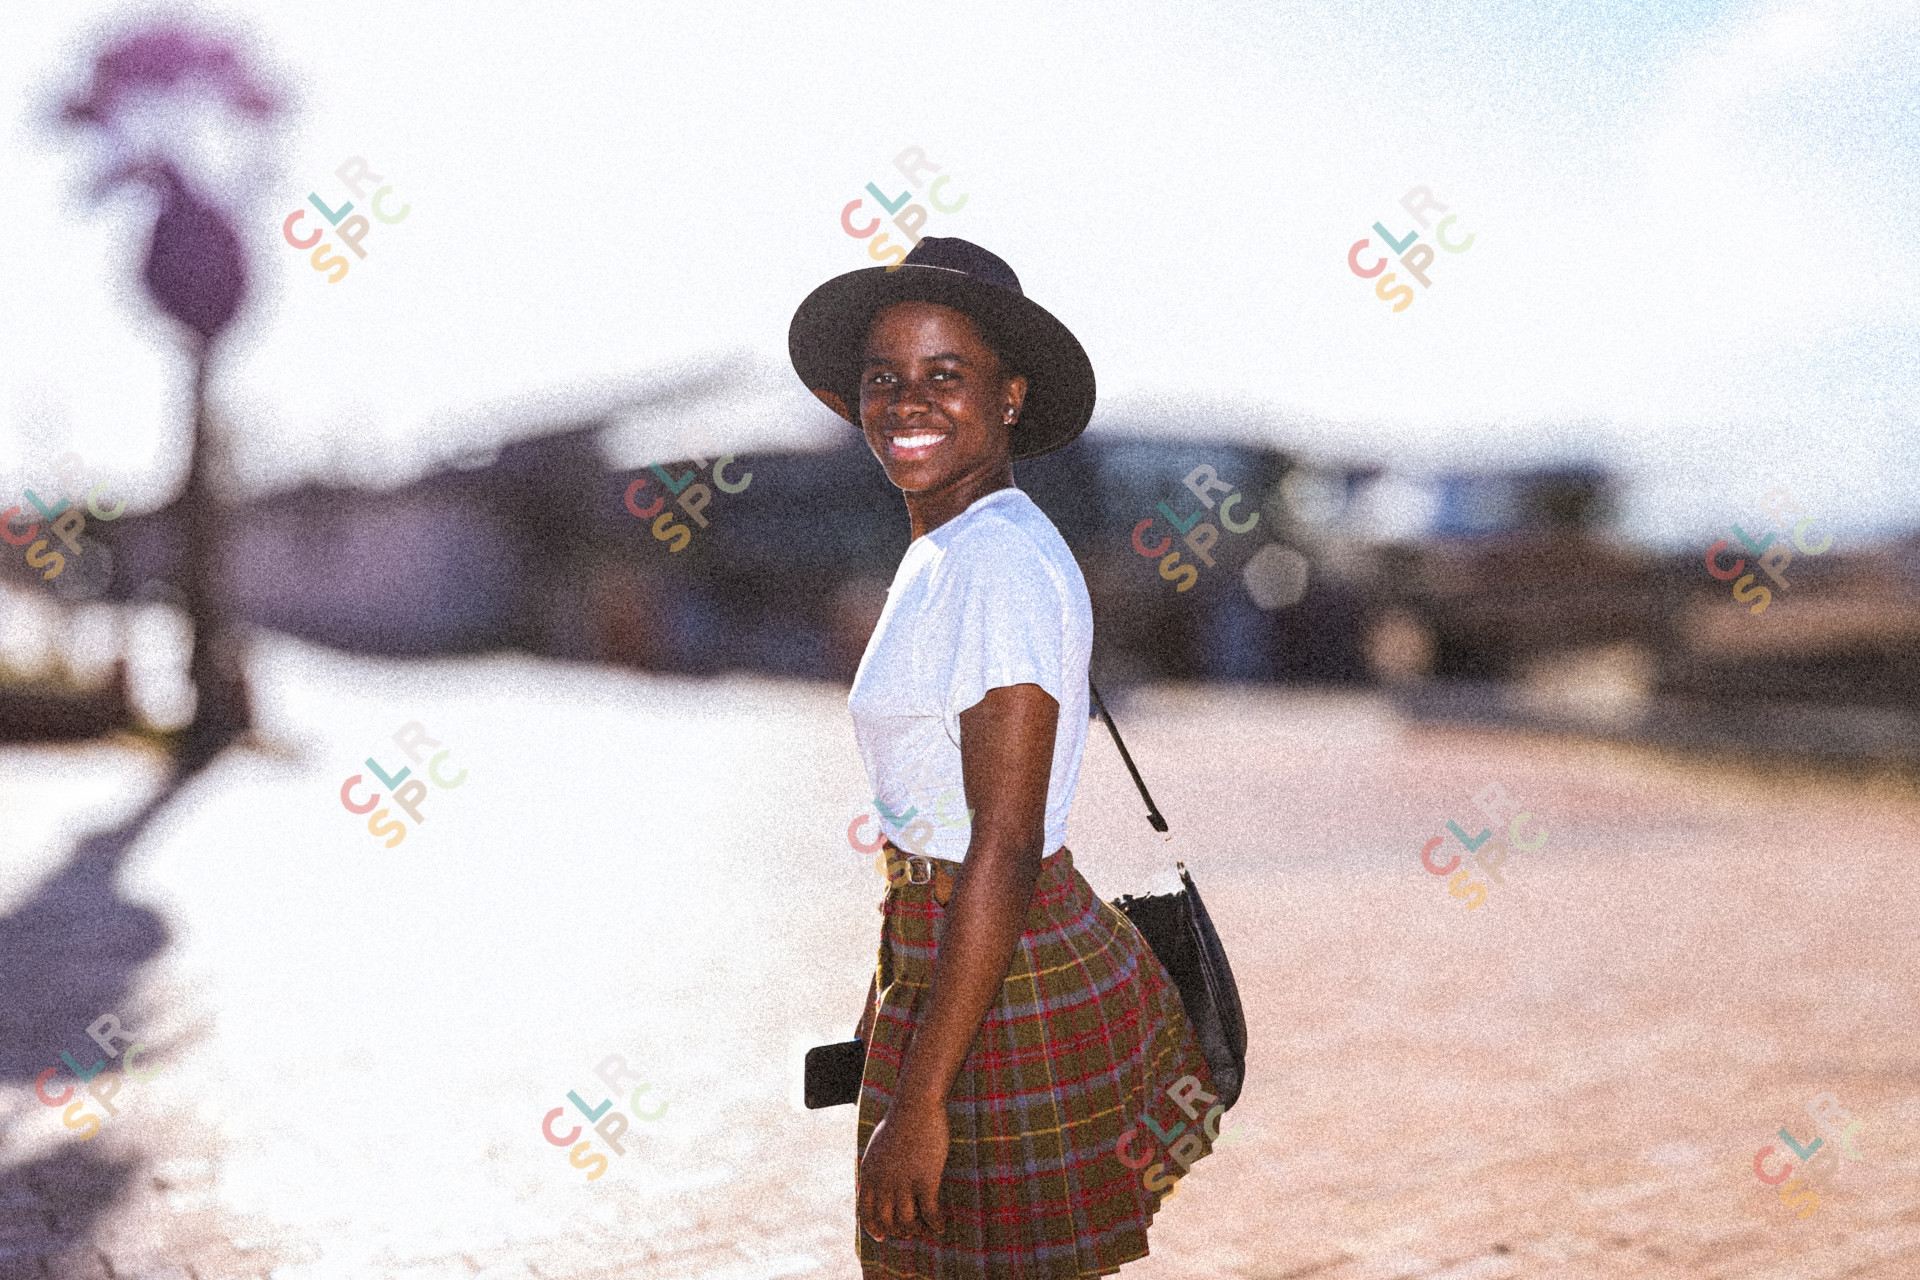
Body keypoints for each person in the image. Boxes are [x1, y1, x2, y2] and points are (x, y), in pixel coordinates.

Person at [788, 237, 1219, 1278]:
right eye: (884, 379)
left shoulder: (998, 563)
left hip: (1004, 969)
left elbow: (1007, 840)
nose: (907, 401)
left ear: (1011, 396)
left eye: (947, 375)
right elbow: (930, 808)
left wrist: (921, 1101)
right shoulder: (946, 548)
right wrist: (886, 996)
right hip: (949, 958)